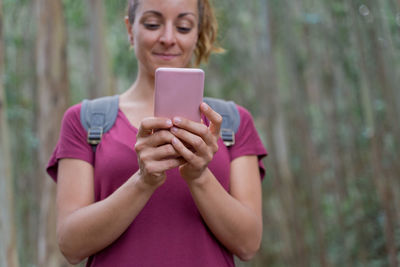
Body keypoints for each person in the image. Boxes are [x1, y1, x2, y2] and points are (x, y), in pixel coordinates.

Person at [46, 0, 267, 266]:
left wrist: (198, 176)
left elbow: (248, 244)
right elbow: (71, 245)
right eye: (152, 24)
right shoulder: (85, 121)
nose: (168, 38)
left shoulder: (232, 123)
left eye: (184, 27)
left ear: (197, 33)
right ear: (130, 29)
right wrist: (143, 181)